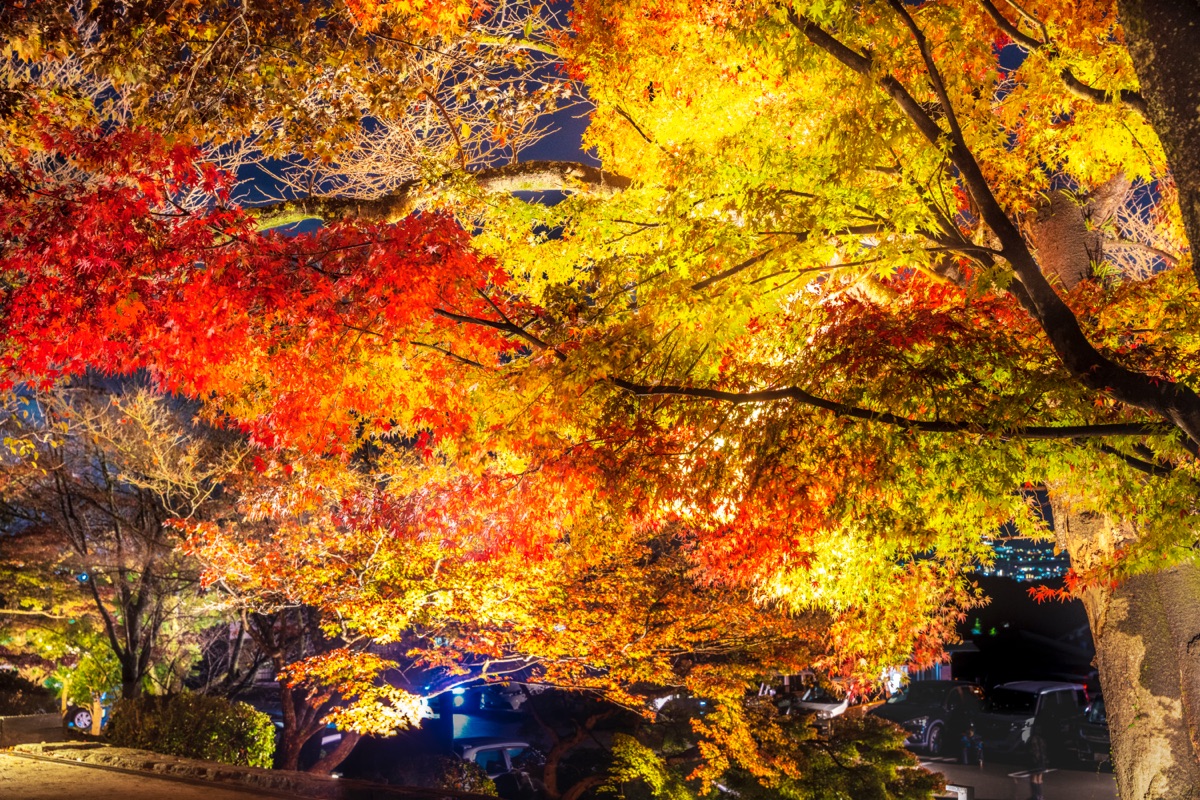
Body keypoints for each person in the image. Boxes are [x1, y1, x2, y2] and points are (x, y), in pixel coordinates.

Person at [1027, 721, 1049, 800]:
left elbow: (1033, 751)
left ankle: (1035, 796)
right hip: (1042, 761)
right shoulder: (1042, 739)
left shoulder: (1033, 739)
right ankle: (1040, 796)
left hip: (1035, 761)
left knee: (1033, 778)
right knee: (1040, 778)